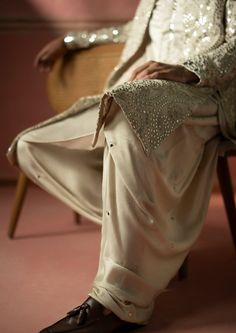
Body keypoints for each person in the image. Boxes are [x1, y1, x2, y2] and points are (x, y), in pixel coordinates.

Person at [7, 0, 236, 332]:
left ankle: (119, 303)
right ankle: (152, 238)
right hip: (137, 91)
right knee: (31, 147)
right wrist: (72, 42)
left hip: (201, 90)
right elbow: (132, 30)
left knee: (128, 116)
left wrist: (189, 69)